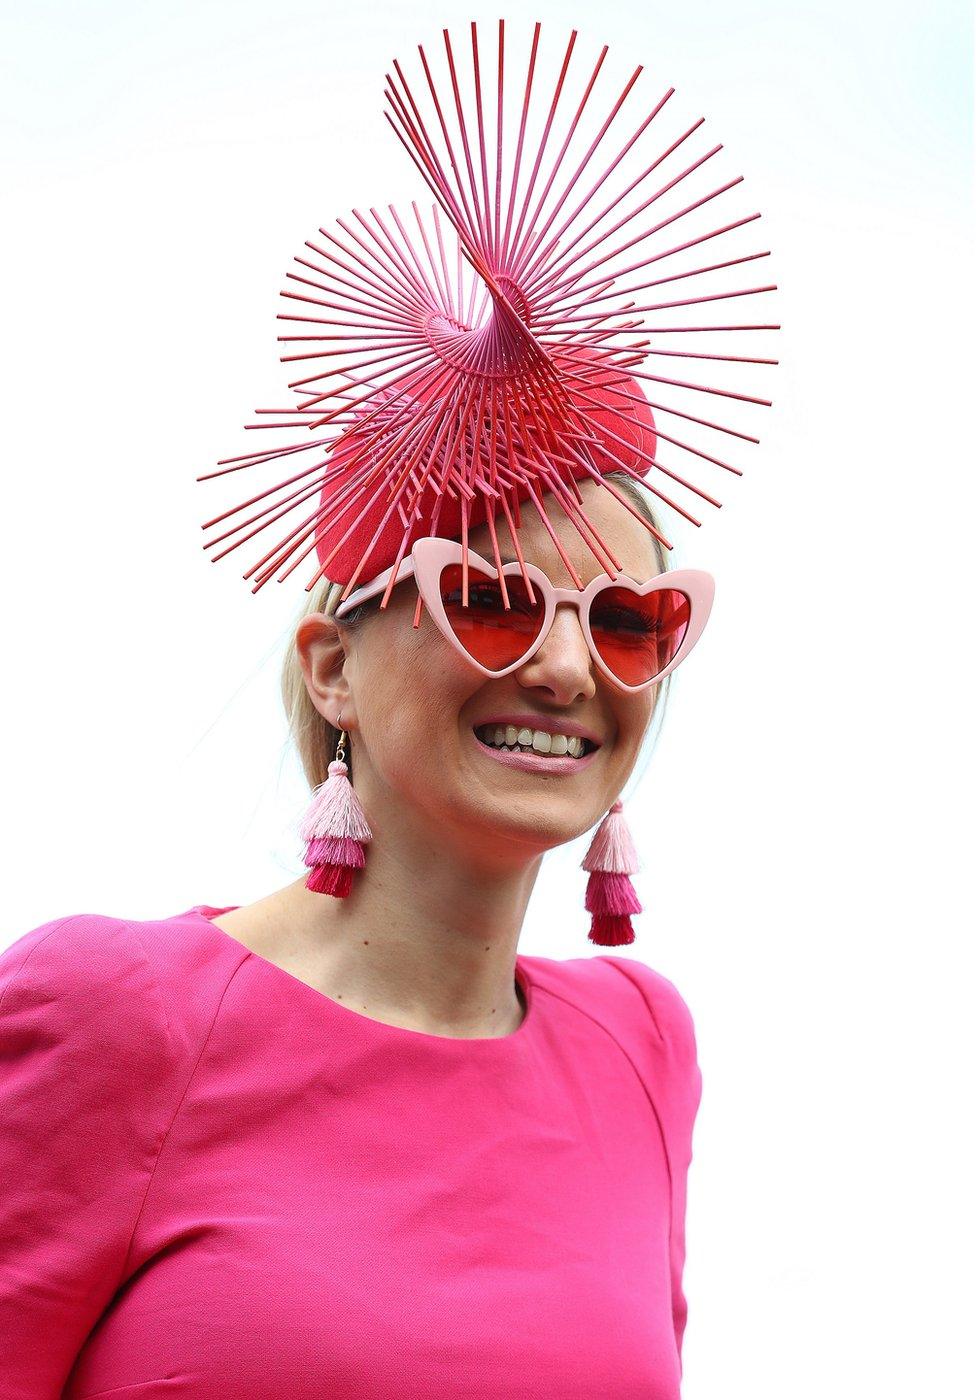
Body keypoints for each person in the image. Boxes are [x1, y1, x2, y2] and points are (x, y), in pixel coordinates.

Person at [1, 19, 777, 1396]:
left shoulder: (644, 1051)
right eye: (490, 598)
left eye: (627, 617)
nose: (564, 668)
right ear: (329, 665)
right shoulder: (112, 1018)